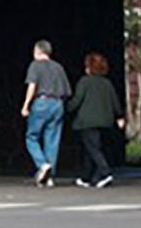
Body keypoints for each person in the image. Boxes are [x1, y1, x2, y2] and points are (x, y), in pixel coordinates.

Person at [68, 51, 125, 188]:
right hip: (105, 120)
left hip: (87, 121)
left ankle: (105, 172)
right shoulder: (107, 83)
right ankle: (88, 177)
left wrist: (66, 108)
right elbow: (115, 103)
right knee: (92, 148)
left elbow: (77, 101)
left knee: (93, 149)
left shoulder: (84, 81)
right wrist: (119, 116)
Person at [21, 39, 71, 187]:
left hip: (41, 102)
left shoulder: (35, 66)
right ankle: (49, 177)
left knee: (31, 137)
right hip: (57, 103)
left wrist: (26, 105)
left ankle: (42, 165)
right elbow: (67, 91)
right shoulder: (59, 67)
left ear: (37, 51)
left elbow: (32, 86)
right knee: (52, 140)